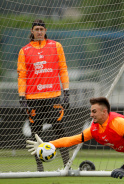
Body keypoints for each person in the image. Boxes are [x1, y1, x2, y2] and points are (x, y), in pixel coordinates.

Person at [18, 19, 70, 171]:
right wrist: (22, 97)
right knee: (36, 134)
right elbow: (22, 76)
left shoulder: (56, 46)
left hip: (53, 96)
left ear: (45, 31)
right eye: (37, 29)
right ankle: (39, 168)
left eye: (41, 29)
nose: (39, 32)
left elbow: (63, 69)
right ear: (32, 31)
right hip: (33, 98)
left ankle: (66, 164)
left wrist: (66, 92)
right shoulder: (24, 51)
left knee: (60, 130)